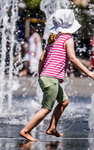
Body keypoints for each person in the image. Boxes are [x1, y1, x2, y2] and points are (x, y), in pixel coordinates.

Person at [20, 9, 94, 141]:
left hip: (47, 77)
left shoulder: (53, 39)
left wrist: (40, 75)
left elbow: (42, 59)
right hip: (51, 78)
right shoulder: (68, 39)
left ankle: (52, 128)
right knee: (46, 108)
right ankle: (26, 130)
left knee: (64, 101)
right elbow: (72, 58)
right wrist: (88, 72)